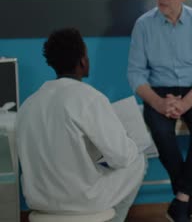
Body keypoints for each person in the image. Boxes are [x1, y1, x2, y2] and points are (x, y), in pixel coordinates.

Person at [16, 28, 146, 222]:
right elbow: (121, 157)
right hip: (81, 201)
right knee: (137, 159)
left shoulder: (28, 104)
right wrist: (128, 140)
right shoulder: (89, 98)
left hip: (40, 201)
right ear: (83, 61)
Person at [127, 0, 192, 221]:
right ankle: (189, 196)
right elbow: (135, 74)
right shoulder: (144, 25)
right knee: (161, 133)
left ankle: (181, 199)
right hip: (158, 91)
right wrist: (158, 103)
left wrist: (185, 103)